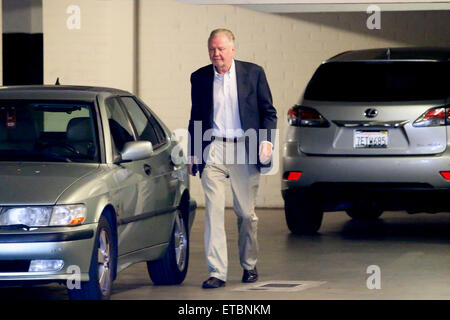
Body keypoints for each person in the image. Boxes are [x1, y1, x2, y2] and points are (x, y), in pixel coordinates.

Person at [188, 28, 277, 289]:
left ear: (232, 50)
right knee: (213, 212)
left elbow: (268, 112)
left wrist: (267, 141)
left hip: (244, 147)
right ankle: (217, 272)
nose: (216, 54)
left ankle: (249, 264)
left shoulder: (253, 73)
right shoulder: (200, 77)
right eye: (212, 50)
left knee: (246, 214)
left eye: (221, 49)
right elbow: (196, 115)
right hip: (212, 148)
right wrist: (194, 149)